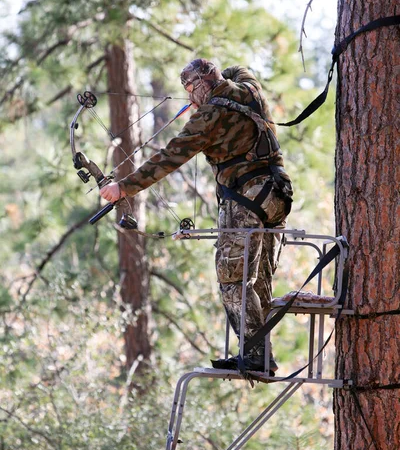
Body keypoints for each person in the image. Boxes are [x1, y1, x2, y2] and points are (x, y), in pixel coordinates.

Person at [100, 59, 293, 374]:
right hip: (278, 195)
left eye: (191, 88)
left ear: (204, 82)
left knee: (233, 278)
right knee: (257, 280)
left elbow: (169, 157)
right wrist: (213, 83)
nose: (189, 97)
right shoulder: (250, 89)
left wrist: (123, 188)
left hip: (245, 198)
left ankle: (257, 357)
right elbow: (238, 69)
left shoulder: (208, 117)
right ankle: (259, 354)